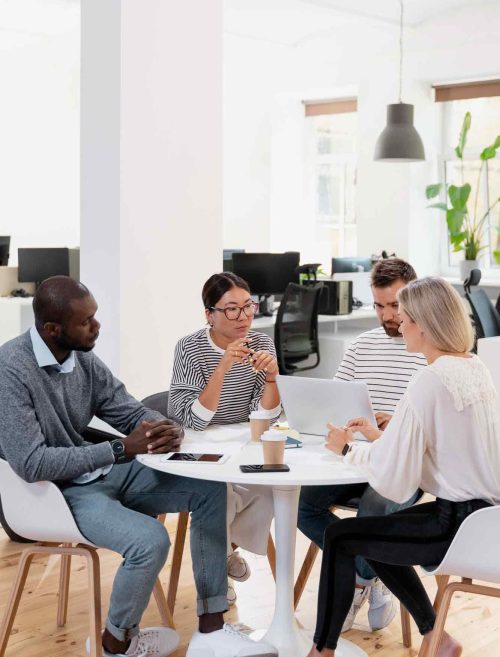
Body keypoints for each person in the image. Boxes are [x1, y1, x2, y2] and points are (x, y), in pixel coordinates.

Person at [0, 276, 277, 657]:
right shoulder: (11, 369)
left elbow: (124, 408)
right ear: (52, 329)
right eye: (87, 322)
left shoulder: (81, 356)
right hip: (59, 493)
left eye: (95, 316)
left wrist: (161, 428)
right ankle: (117, 642)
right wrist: (118, 449)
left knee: (211, 487)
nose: (97, 327)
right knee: (151, 540)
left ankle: (212, 626)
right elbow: (32, 463)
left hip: (105, 473)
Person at [306, 277, 500, 657]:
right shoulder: (474, 367)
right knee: (374, 537)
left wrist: (347, 449)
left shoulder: (427, 381)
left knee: (341, 537)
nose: (399, 324)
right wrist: (383, 438)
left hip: (454, 526)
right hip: (485, 521)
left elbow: (395, 482)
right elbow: (441, 451)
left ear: (424, 325)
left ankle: (320, 652)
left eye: (405, 317)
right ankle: (437, 637)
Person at [298, 258, 427, 631]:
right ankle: (372, 571)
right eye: (379, 305)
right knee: (304, 507)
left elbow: (428, 431)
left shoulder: (427, 348)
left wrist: (392, 426)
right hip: (356, 456)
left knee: (374, 507)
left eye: (395, 306)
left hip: (402, 466)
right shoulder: (359, 347)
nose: (387, 315)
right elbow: (335, 402)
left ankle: (357, 582)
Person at [168, 272, 281, 603]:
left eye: (248, 307)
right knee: (221, 494)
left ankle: (221, 551)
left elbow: (263, 417)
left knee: (273, 488)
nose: (243, 317)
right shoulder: (189, 348)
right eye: (231, 309)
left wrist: (273, 379)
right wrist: (222, 367)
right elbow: (191, 420)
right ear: (210, 315)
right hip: (199, 445)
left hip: (241, 443)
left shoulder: (260, 343)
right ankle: (217, 566)